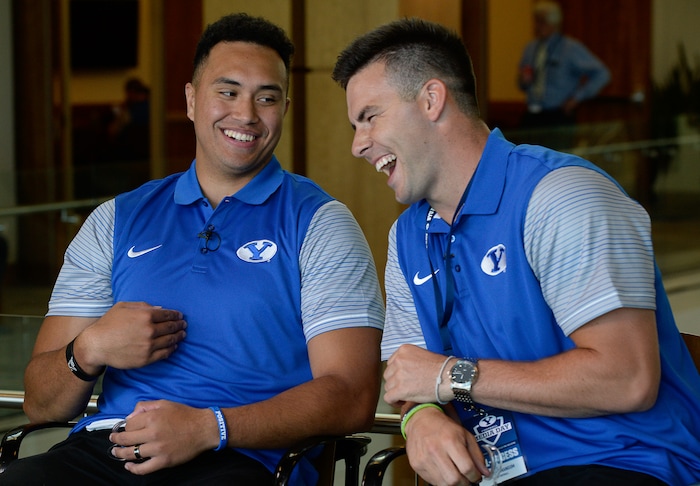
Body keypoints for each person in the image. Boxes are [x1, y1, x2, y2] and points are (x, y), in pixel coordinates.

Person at [1, 13, 384, 486]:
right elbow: (40, 404)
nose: (246, 114)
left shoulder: (321, 223)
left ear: (285, 107)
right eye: (228, 91)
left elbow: (352, 395)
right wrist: (92, 346)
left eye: (266, 98)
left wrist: (209, 428)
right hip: (110, 449)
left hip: (243, 459)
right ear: (190, 99)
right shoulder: (115, 220)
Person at [332, 17, 700, 486]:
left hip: (625, 462)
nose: (358, 145)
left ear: (430, 99)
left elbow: (628, 378)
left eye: (370, 117)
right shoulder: (407, 237)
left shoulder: (560, 197)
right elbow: (411, 378)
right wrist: (418, 418)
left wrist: (454, 376)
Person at [517, 1, 610, 147]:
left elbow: (602, 73)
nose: (538, 26)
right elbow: (522, 83)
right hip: (532, 116)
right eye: (536, 21)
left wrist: (577, 98)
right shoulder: (530, 48)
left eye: (543, 22)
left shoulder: (570, 48)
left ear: (554, 23)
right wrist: (523, 80)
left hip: (557, 117)